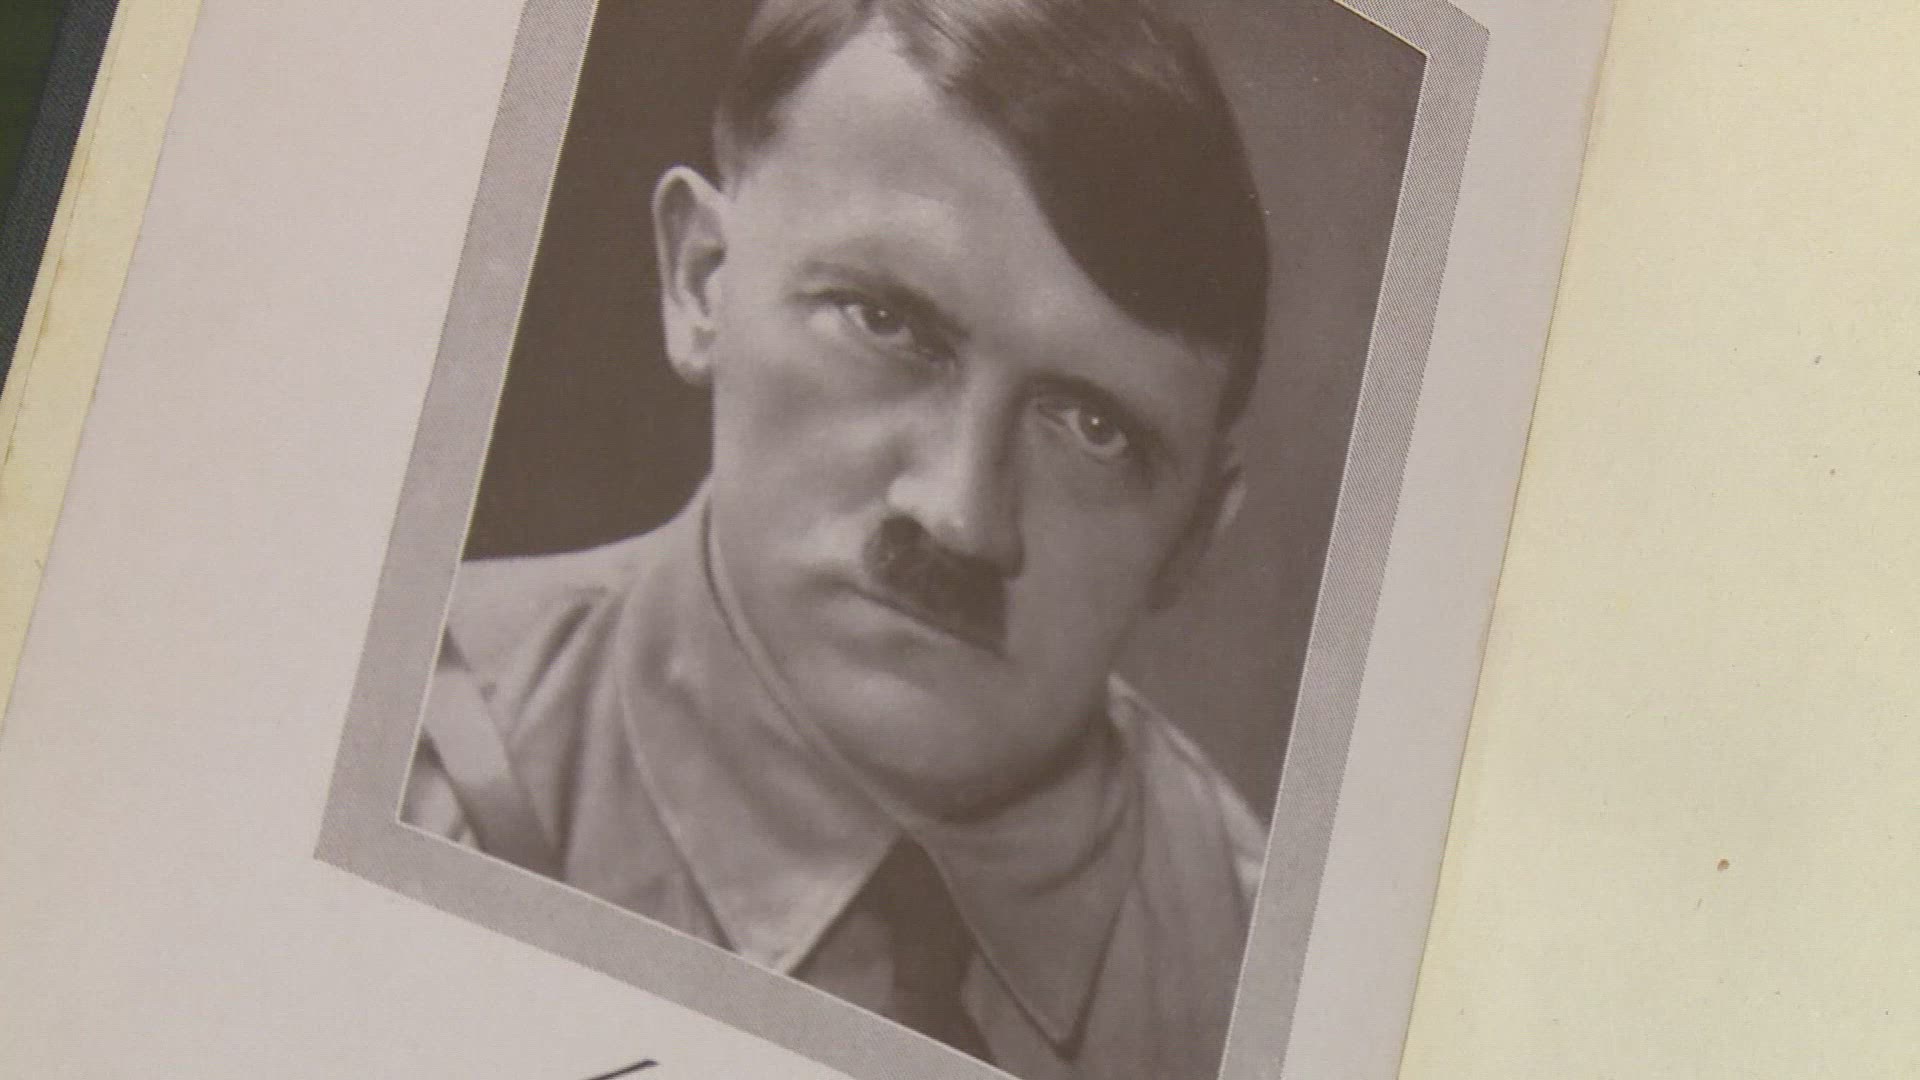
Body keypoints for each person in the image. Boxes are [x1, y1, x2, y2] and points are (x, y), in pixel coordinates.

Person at [403, 0, 1272, 1075]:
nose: (961, 516)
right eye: (887, 323)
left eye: (1093, 429)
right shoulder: (392, 746)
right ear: (702, 281)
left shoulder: (1272, 978)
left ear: (1193, 536)